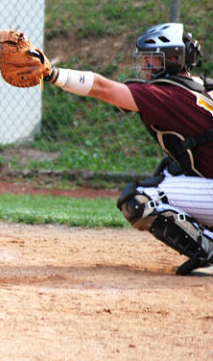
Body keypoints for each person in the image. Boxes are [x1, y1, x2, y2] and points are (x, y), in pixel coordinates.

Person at [41, 22, 213, 275]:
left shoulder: (166, 94)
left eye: (153, 59)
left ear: (175, 59)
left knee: (140, 199)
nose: (145, 64)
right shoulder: (204, 86)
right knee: (170, 170)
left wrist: (53, 74)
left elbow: (102, 87)